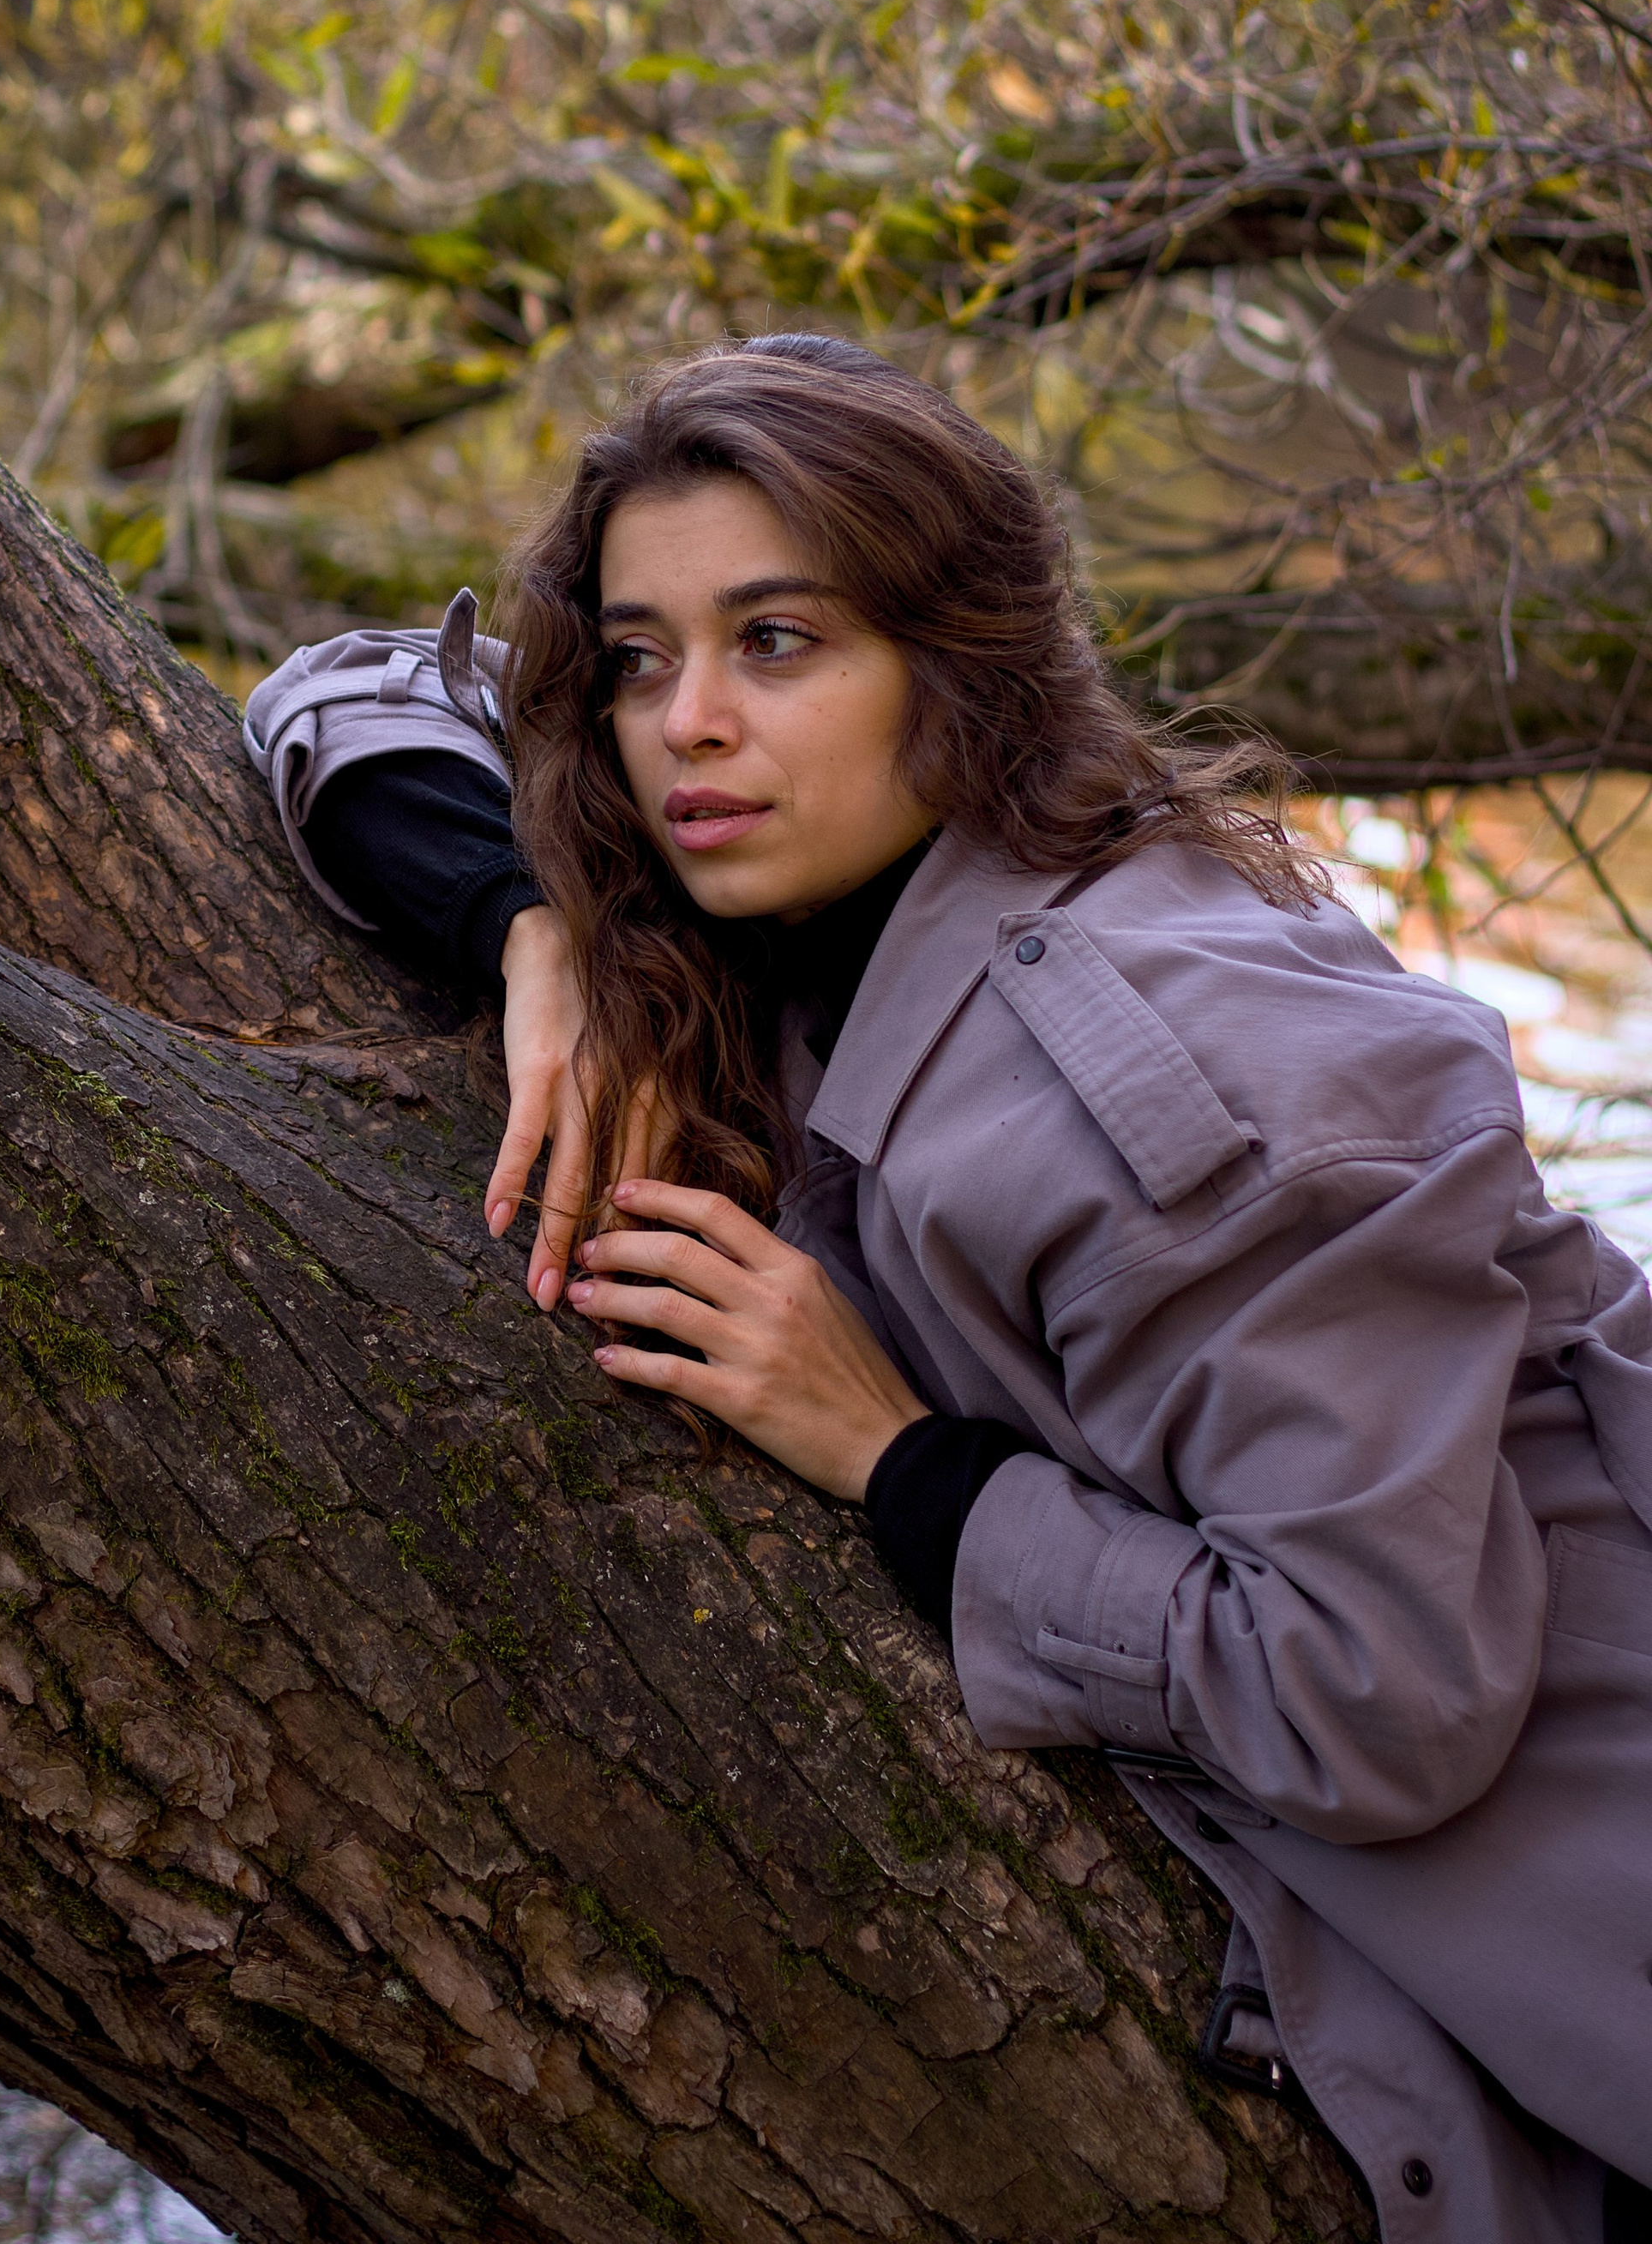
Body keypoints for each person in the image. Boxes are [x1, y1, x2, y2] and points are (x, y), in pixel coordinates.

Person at [243, 336, 1652, 2244]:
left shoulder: (1174, 1106)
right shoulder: (883, 886)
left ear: (954, 656)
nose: (685, 729)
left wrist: (907, 1465)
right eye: (642, 658)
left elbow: (1381, 1697)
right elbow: (338, 691)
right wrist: (531, 928)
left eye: (778, 642)